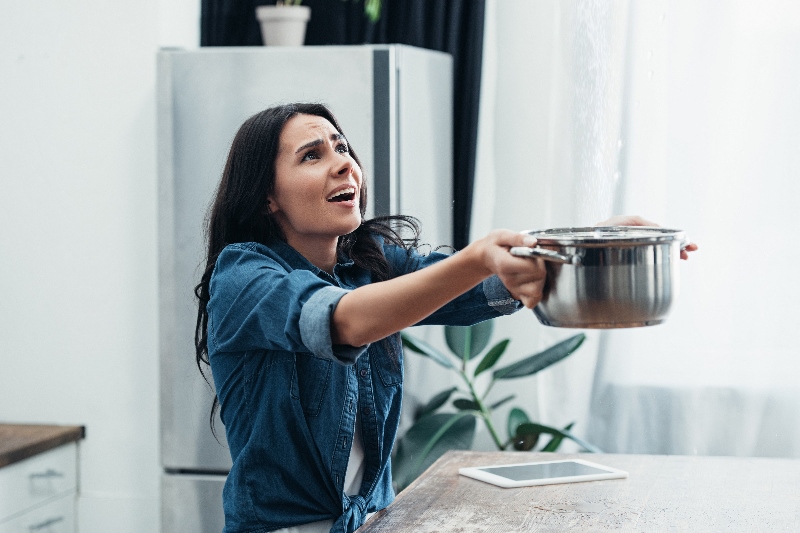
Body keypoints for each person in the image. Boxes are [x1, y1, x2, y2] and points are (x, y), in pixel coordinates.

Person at [194, 103, 696, 533]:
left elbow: (481, 283)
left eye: (342, 148)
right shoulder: (243, 276)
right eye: (312, 155)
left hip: (374, 520)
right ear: (267, 196)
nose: (343, 165)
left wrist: (606, 237)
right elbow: (343, 322)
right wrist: (478, 257)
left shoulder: (367, 267)